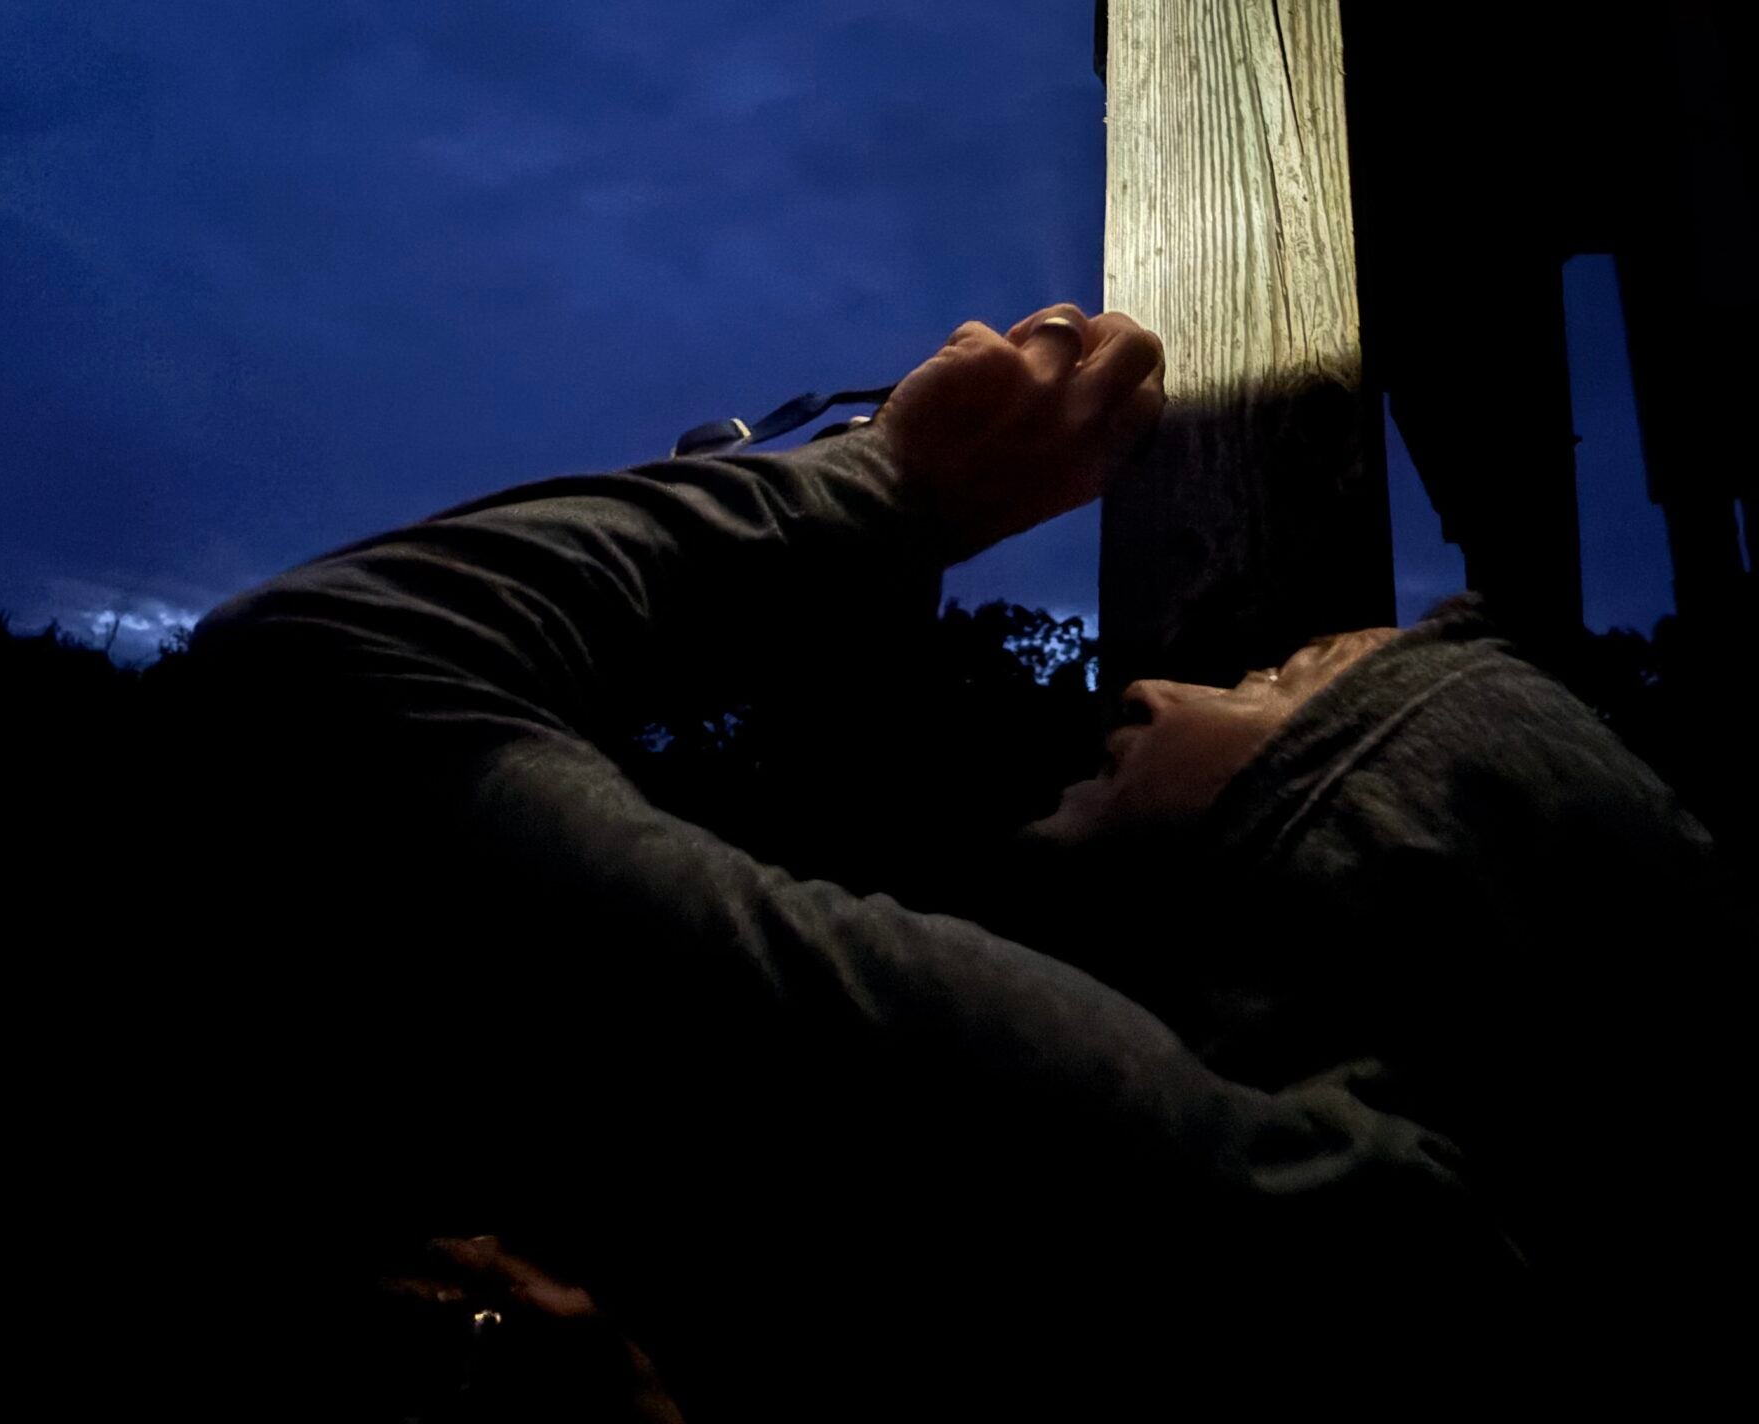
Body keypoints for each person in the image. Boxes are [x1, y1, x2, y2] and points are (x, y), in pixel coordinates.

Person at [169, 303, 1748, 1419]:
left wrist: (891, 489)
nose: (1155, 685)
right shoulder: (1366, 1234)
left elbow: (326, 674)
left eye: (1279, 689)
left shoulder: (1298, 1209)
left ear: (1399, 846)